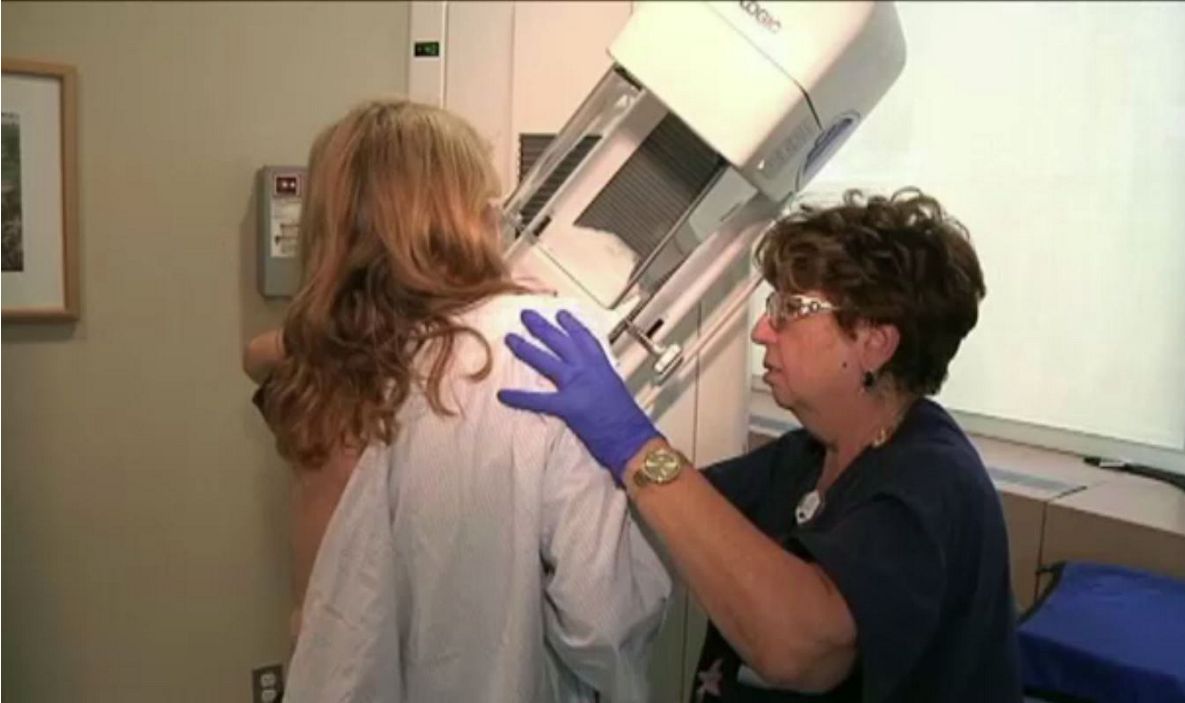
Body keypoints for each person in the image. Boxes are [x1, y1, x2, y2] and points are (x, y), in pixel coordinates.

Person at [499, 189, 1021, 701]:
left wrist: (635, 445)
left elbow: (800, 649)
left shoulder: (932, 484)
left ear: (874, 342)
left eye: (790, 309)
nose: (763, 331)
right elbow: (681, 518)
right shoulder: (806, 456)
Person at [248, 98, 671, 702]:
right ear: (472, 217)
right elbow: (603, 624)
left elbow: (259, 356)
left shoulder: (322, 372)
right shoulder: (537, 345)